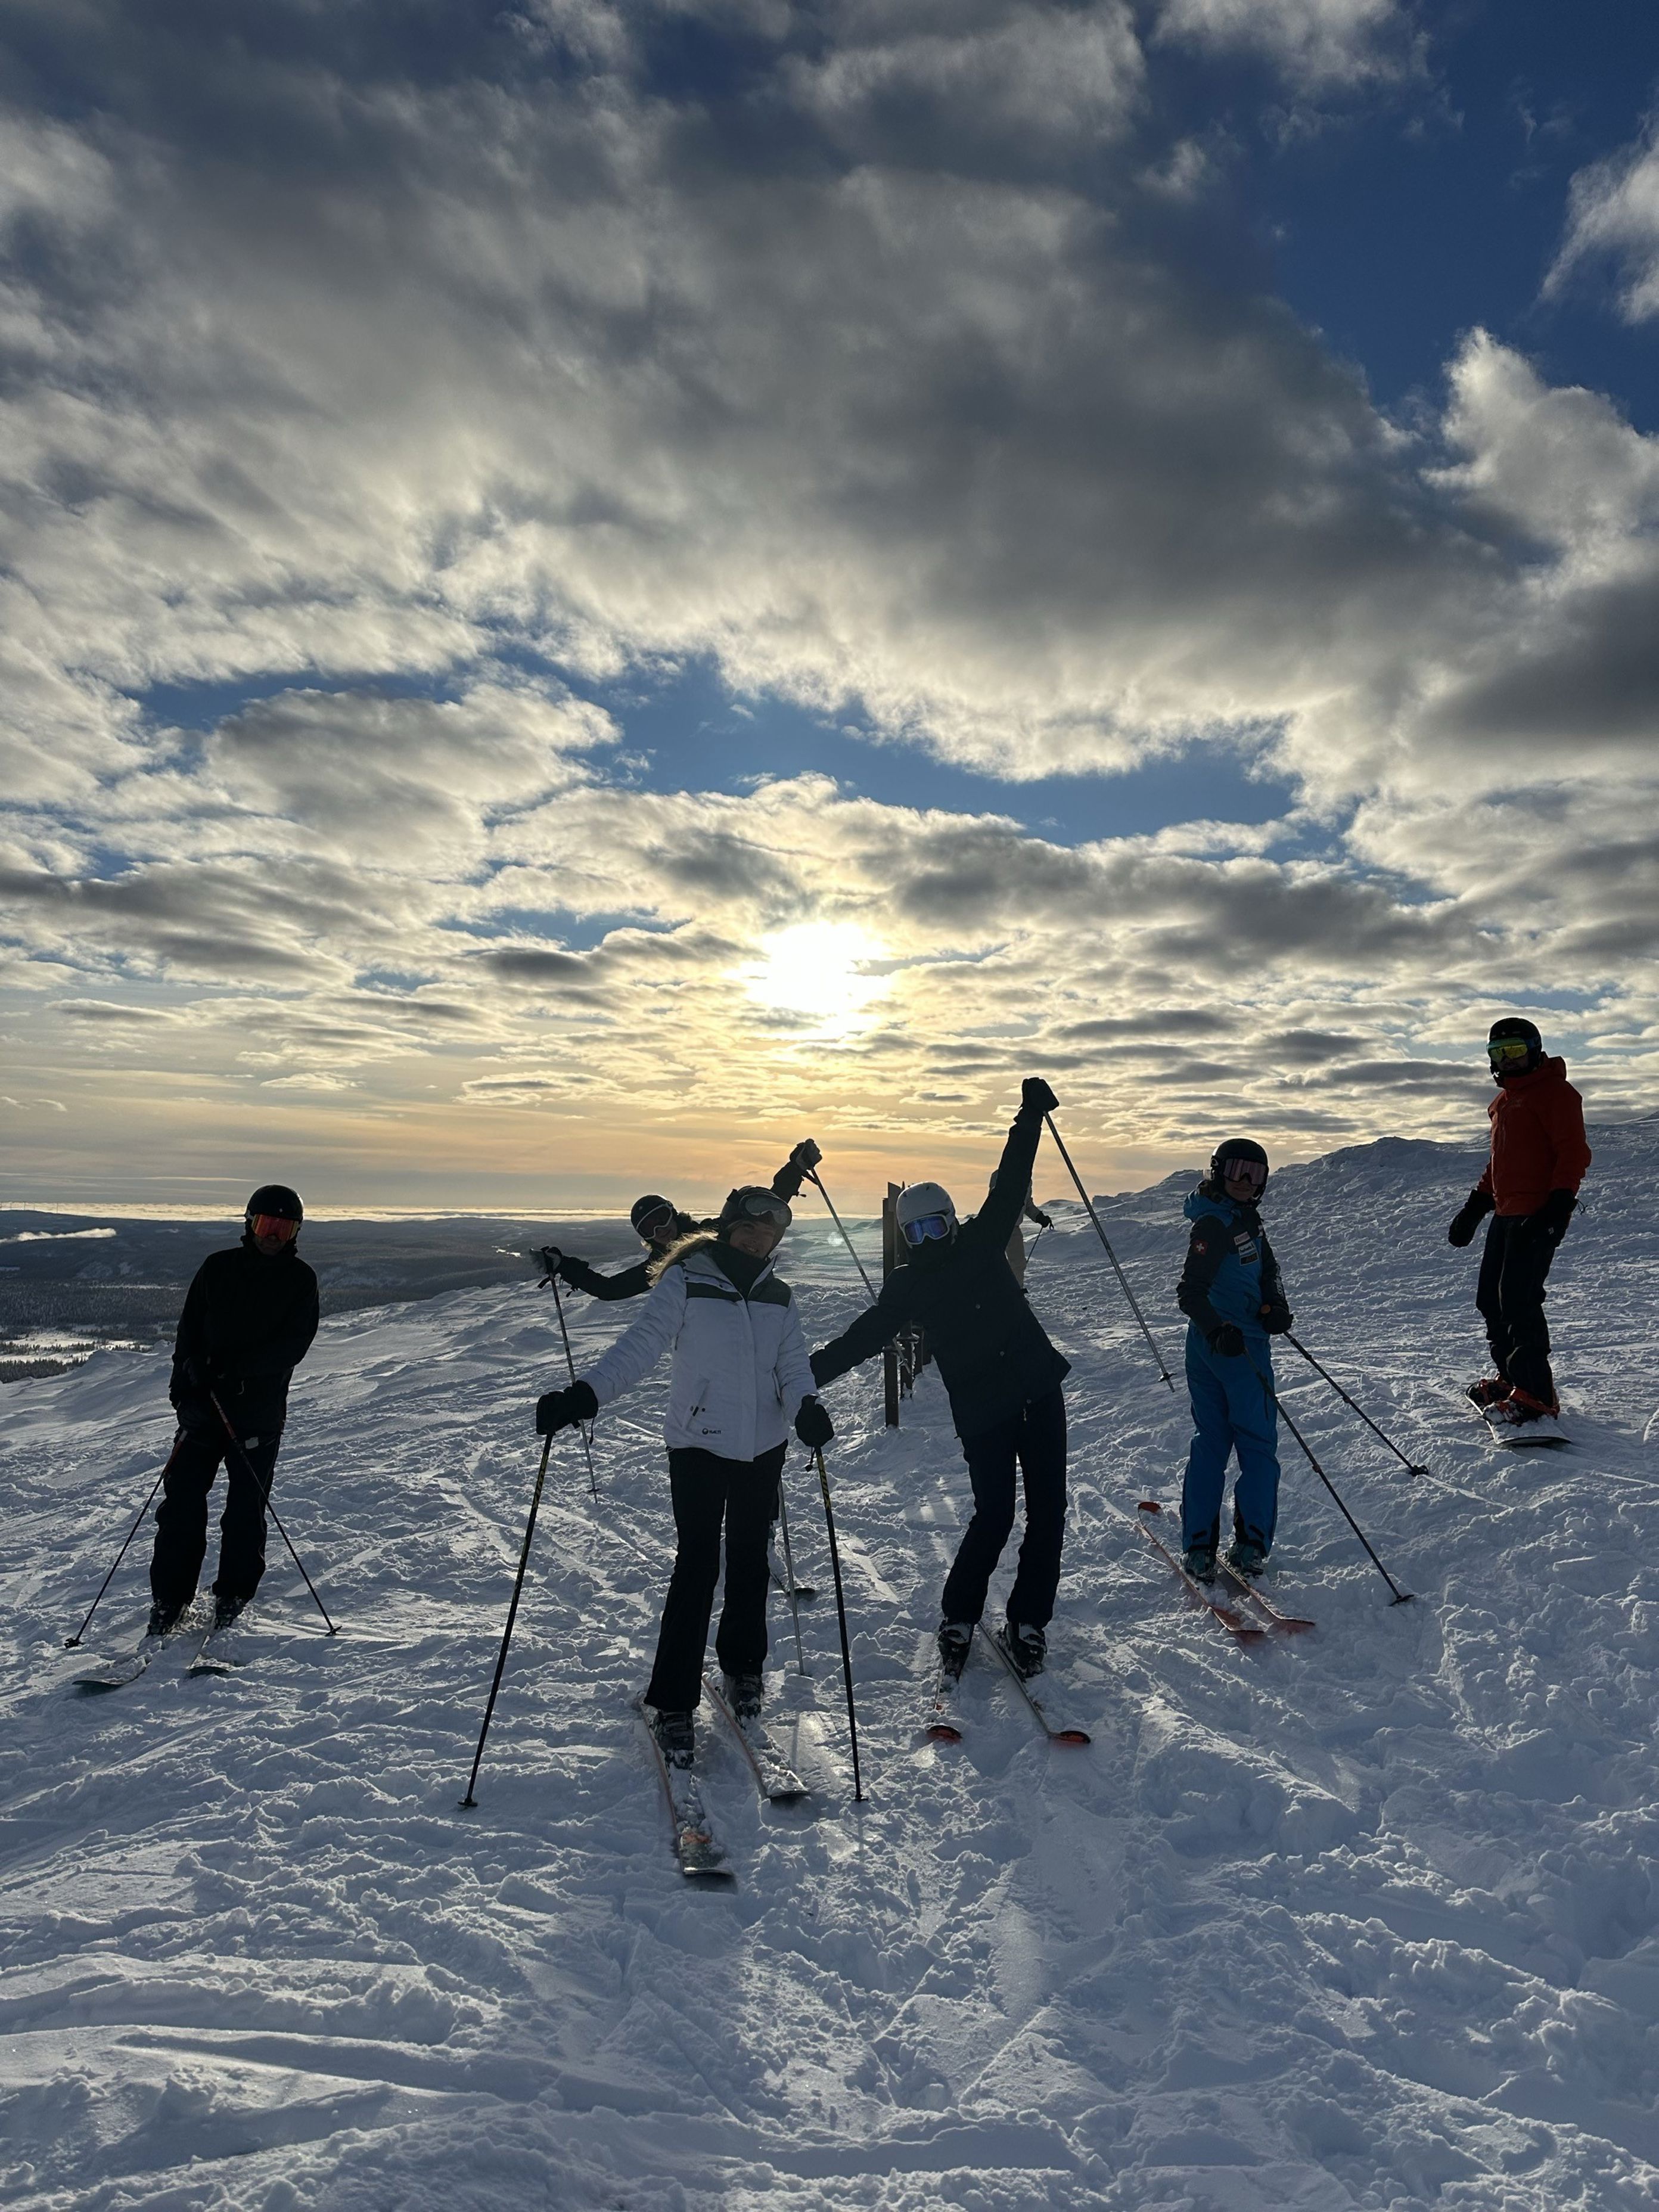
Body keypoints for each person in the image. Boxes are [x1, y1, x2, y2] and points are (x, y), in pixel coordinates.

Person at [534, 1185, 831, 1764]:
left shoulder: (779, 1295)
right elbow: (640, 1347)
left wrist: (808, 1408)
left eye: (767, 1233)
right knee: (698, 1561)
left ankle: (744, 1670)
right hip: (698, 1443)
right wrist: (586, 1396)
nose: (756, 1238)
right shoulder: (688, 1277)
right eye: (747, 1229)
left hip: (762, 1447)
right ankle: (672, 1700)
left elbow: (793, 1366)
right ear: (727, 1227)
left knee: (748, 1556)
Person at [809, 1079, 1070, 1683]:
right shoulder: (909, 1286)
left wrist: (1029, 1115)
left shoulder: (983, 1240)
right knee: (995, 1515)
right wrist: (805, 1376)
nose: (930, 1240)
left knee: (1049, 1512)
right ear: (906, 1237)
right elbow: (865, 1337)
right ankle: (959, 1614)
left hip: (1036, 1387)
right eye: (917, 1232)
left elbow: (1009, 1180)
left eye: (938, 1227)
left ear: (954, 1222)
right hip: (983, 1409)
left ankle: (1029, 1621)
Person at [148, 1183, 320, 1634]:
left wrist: (230, 1369)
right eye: (267, 1224)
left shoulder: (300, 1280)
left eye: (284, 1228)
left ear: (295, 1233)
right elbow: (188, 1334)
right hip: (202, 1412)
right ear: (249, 1224)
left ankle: (233, 1594)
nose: (273, 1235)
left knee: (245, 1510)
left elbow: (292, 1347)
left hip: (258, 1416)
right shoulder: (217, 1268)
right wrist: (182, 1389)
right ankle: (169, 1599)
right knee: (181, 1506)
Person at [1447, 1017, 1591, 1433]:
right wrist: (1475, 1208)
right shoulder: (1503, 1103)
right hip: (1506, 1214)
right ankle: (1513, 1381)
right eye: (1499, 1054)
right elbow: (1500, 1163)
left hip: (1539, 1213)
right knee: (1491, 1300)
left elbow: (1573, 1152)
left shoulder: (1556, 1094)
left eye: (1515, 1051)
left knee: (1519, 1301)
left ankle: (1538, 1397)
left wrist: (1558, 1205)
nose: (1508, 1062)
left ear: (1534, 1049)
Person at [1175, 1139, 1293, 1583]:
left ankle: (1205, 1547)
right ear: (1219, 1170)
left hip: (1222, 1343)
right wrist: (1220, 1329)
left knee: (1214, 1440)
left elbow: (1268, 1269)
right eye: (1239, 1171)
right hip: (1233, 1348)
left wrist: (1275, 1304)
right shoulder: (1214, 1223)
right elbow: (1190, 1291)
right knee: (1254, 1446)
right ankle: (1246, 1545)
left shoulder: (1241, 1217)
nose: (1247, 1182)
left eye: (1257, 1174)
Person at [543, 1140, 823, 1301]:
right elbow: (610, 1290)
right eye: (649, 1228)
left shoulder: (711, 1233)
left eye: (662, 1218)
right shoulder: (662, 1265)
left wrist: (795, 1168)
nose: (660, 1229)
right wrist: (564, 1266)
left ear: (674, 1213)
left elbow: (764, 1212)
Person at [988, 1167, 1052, 1286]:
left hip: (1014, 1229)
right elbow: (994, 1199)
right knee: (992, 1262)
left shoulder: (1027, 1179)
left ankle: (1016, 1294)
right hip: (996, 1226)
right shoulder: (1000, 1175)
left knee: (1018, 1263)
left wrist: (1039, 1217)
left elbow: (1027, 1205)